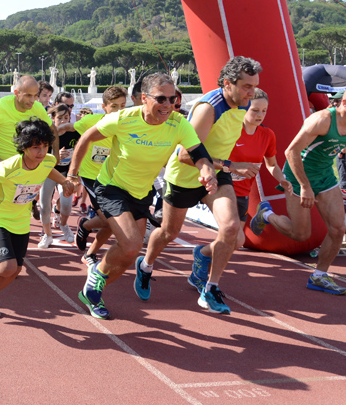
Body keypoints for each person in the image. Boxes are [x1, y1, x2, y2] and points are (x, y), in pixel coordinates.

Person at [65, 73, 215, 320]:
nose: (168, 105)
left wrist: (206, 169)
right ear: (144, 98)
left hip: (141, 193)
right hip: (112, 187)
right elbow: (86, 138)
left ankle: (93, 290)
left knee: (128, 255)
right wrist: (72, 175)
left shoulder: (178, 123)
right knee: (133, 243)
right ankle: (95, 278)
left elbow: (198, 152)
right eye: (161, 99)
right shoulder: (123, 118)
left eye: (173, 99)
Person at [137, 57, 262, 314]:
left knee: (231, 228)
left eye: (255, 86)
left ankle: (210, 287)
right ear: (227, 84)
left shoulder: (245, 103)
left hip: (217, 173)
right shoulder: (209, 108)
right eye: (247, 86)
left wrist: (227, 167)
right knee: (169, 233)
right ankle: (145, 265)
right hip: (184, 177)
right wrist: (231, 165)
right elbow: (184, 155)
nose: (252, 93)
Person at [250, 84, 346, 295]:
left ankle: (319, 276)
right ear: (344, 103)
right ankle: (266, 214)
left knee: (337, 228)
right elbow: (291, 152)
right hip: (299, 177)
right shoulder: (322, 120)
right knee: (300, 234)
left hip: (325, 177)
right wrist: (305, 186)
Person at [0, 119, 70, 317]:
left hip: (21, 220)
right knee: (7, 267)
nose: (41, 152)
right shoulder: (8, 167)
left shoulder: (47, 160)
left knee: (15, 271)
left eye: (45, 146)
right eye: (35, 147)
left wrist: (64, 181)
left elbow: (48, 168)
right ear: (24, 147)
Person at [0, 76, 53, 216]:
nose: (33, 100)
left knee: (14, 209)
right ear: (16, 93)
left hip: (20, 165)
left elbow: (53, 130)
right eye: (28, 95)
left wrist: (55, 154)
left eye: (35, 95)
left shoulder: (38, 108)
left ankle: (28, 208)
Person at [227, 88, 291, 244]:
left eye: (264, 111)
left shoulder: (267, 135)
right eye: (255, 110)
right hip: (223, 189)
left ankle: (203, 253)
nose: (260, 115)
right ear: (244, 108)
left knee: (236, 242)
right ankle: (205, 256)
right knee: (229, 233)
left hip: (243, 193)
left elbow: (272, 165)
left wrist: (282, 179)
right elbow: (212, 160)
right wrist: (232, 167)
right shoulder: (230, 130)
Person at [73, 86, 128, 266]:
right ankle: (86, 228)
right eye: (114, 106)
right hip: (92, 176)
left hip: (114, 178)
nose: (119, 110)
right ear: (104, 107)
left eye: (122, 105)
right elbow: (68, 127)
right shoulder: (90, 121)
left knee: (112, 221)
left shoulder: (128, 124)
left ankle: (89, 249)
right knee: (109, 219)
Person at [40, 103, 79, 247]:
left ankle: (64, 225)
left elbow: (80, 151)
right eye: (60, 118)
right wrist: (54, 155)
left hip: (66, 174)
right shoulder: (47, 135)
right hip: (49, 173)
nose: (63, 121)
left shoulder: (74, 133)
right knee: (44, 206)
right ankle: (47, 235)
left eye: (66, 118)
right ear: (53, 118)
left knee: (67, 205)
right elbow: (39, 155)